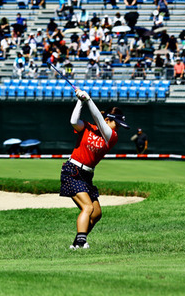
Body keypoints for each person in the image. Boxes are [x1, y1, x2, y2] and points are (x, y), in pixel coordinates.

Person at [60, 87, 128, 250]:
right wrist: (80, 101)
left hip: (87, 175)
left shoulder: (111, 137)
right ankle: (81, 242)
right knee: (88, 207)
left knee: (96, 213)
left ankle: (77, 242)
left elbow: (98, 119)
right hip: (72, 171)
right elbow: (74, 121)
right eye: (116, 124)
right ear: (108, 119)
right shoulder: (88, 128)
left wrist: (88, 99)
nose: (117, 128)